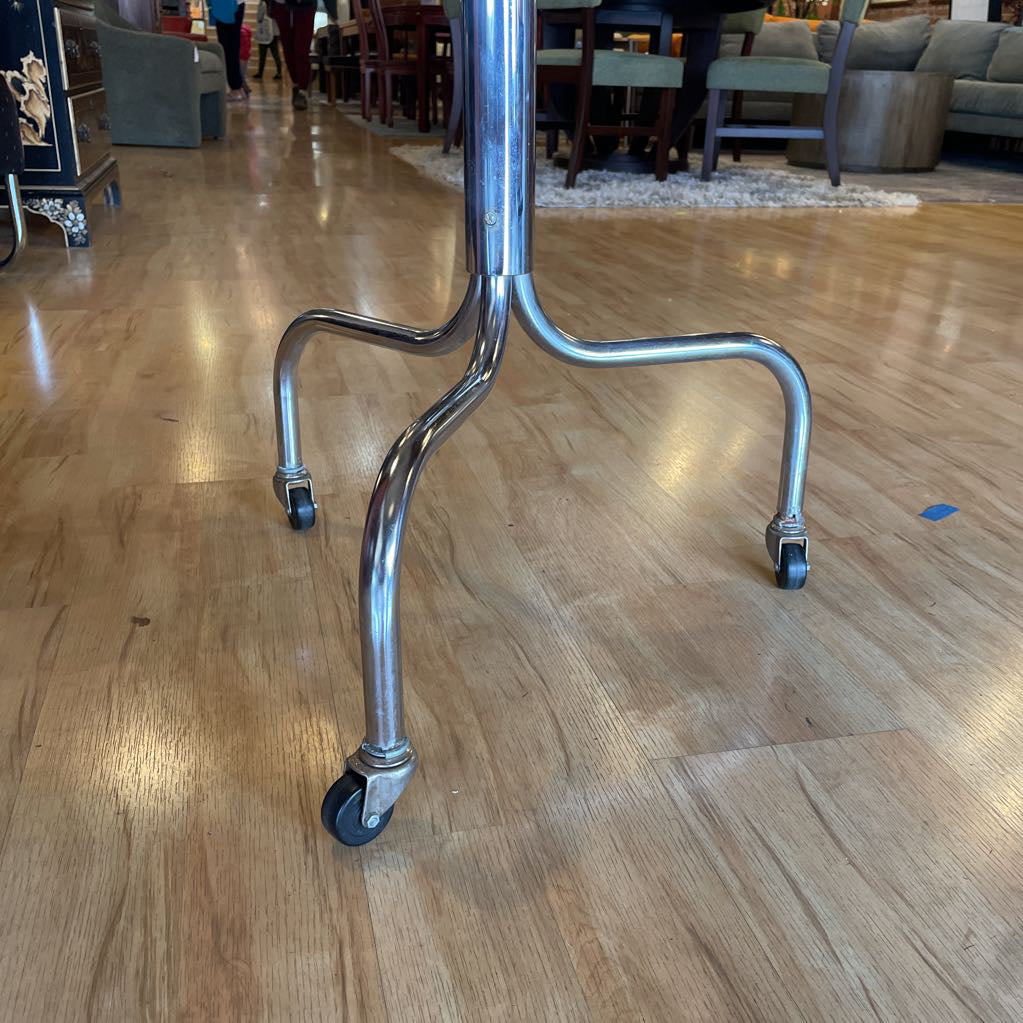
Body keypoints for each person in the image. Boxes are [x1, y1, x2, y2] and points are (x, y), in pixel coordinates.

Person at [272, 0, 316, 109]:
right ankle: (296, 84)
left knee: (302, 49)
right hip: (281, 5)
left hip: (305, 5)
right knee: (288, 50)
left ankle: (302, 91)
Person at [210, 0, 247, 102]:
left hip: (227, 7)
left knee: (229, 49)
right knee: (232, 48)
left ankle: (236, 89)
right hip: (232, 6)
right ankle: (238, 87)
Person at [254, 0, 282, 80]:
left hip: (264, 32)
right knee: (276, 54)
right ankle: (279, 72)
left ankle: (260, 73)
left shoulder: (262, 3)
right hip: (274, 32)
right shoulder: (276, 3)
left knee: (262, 54)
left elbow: (259, 17)